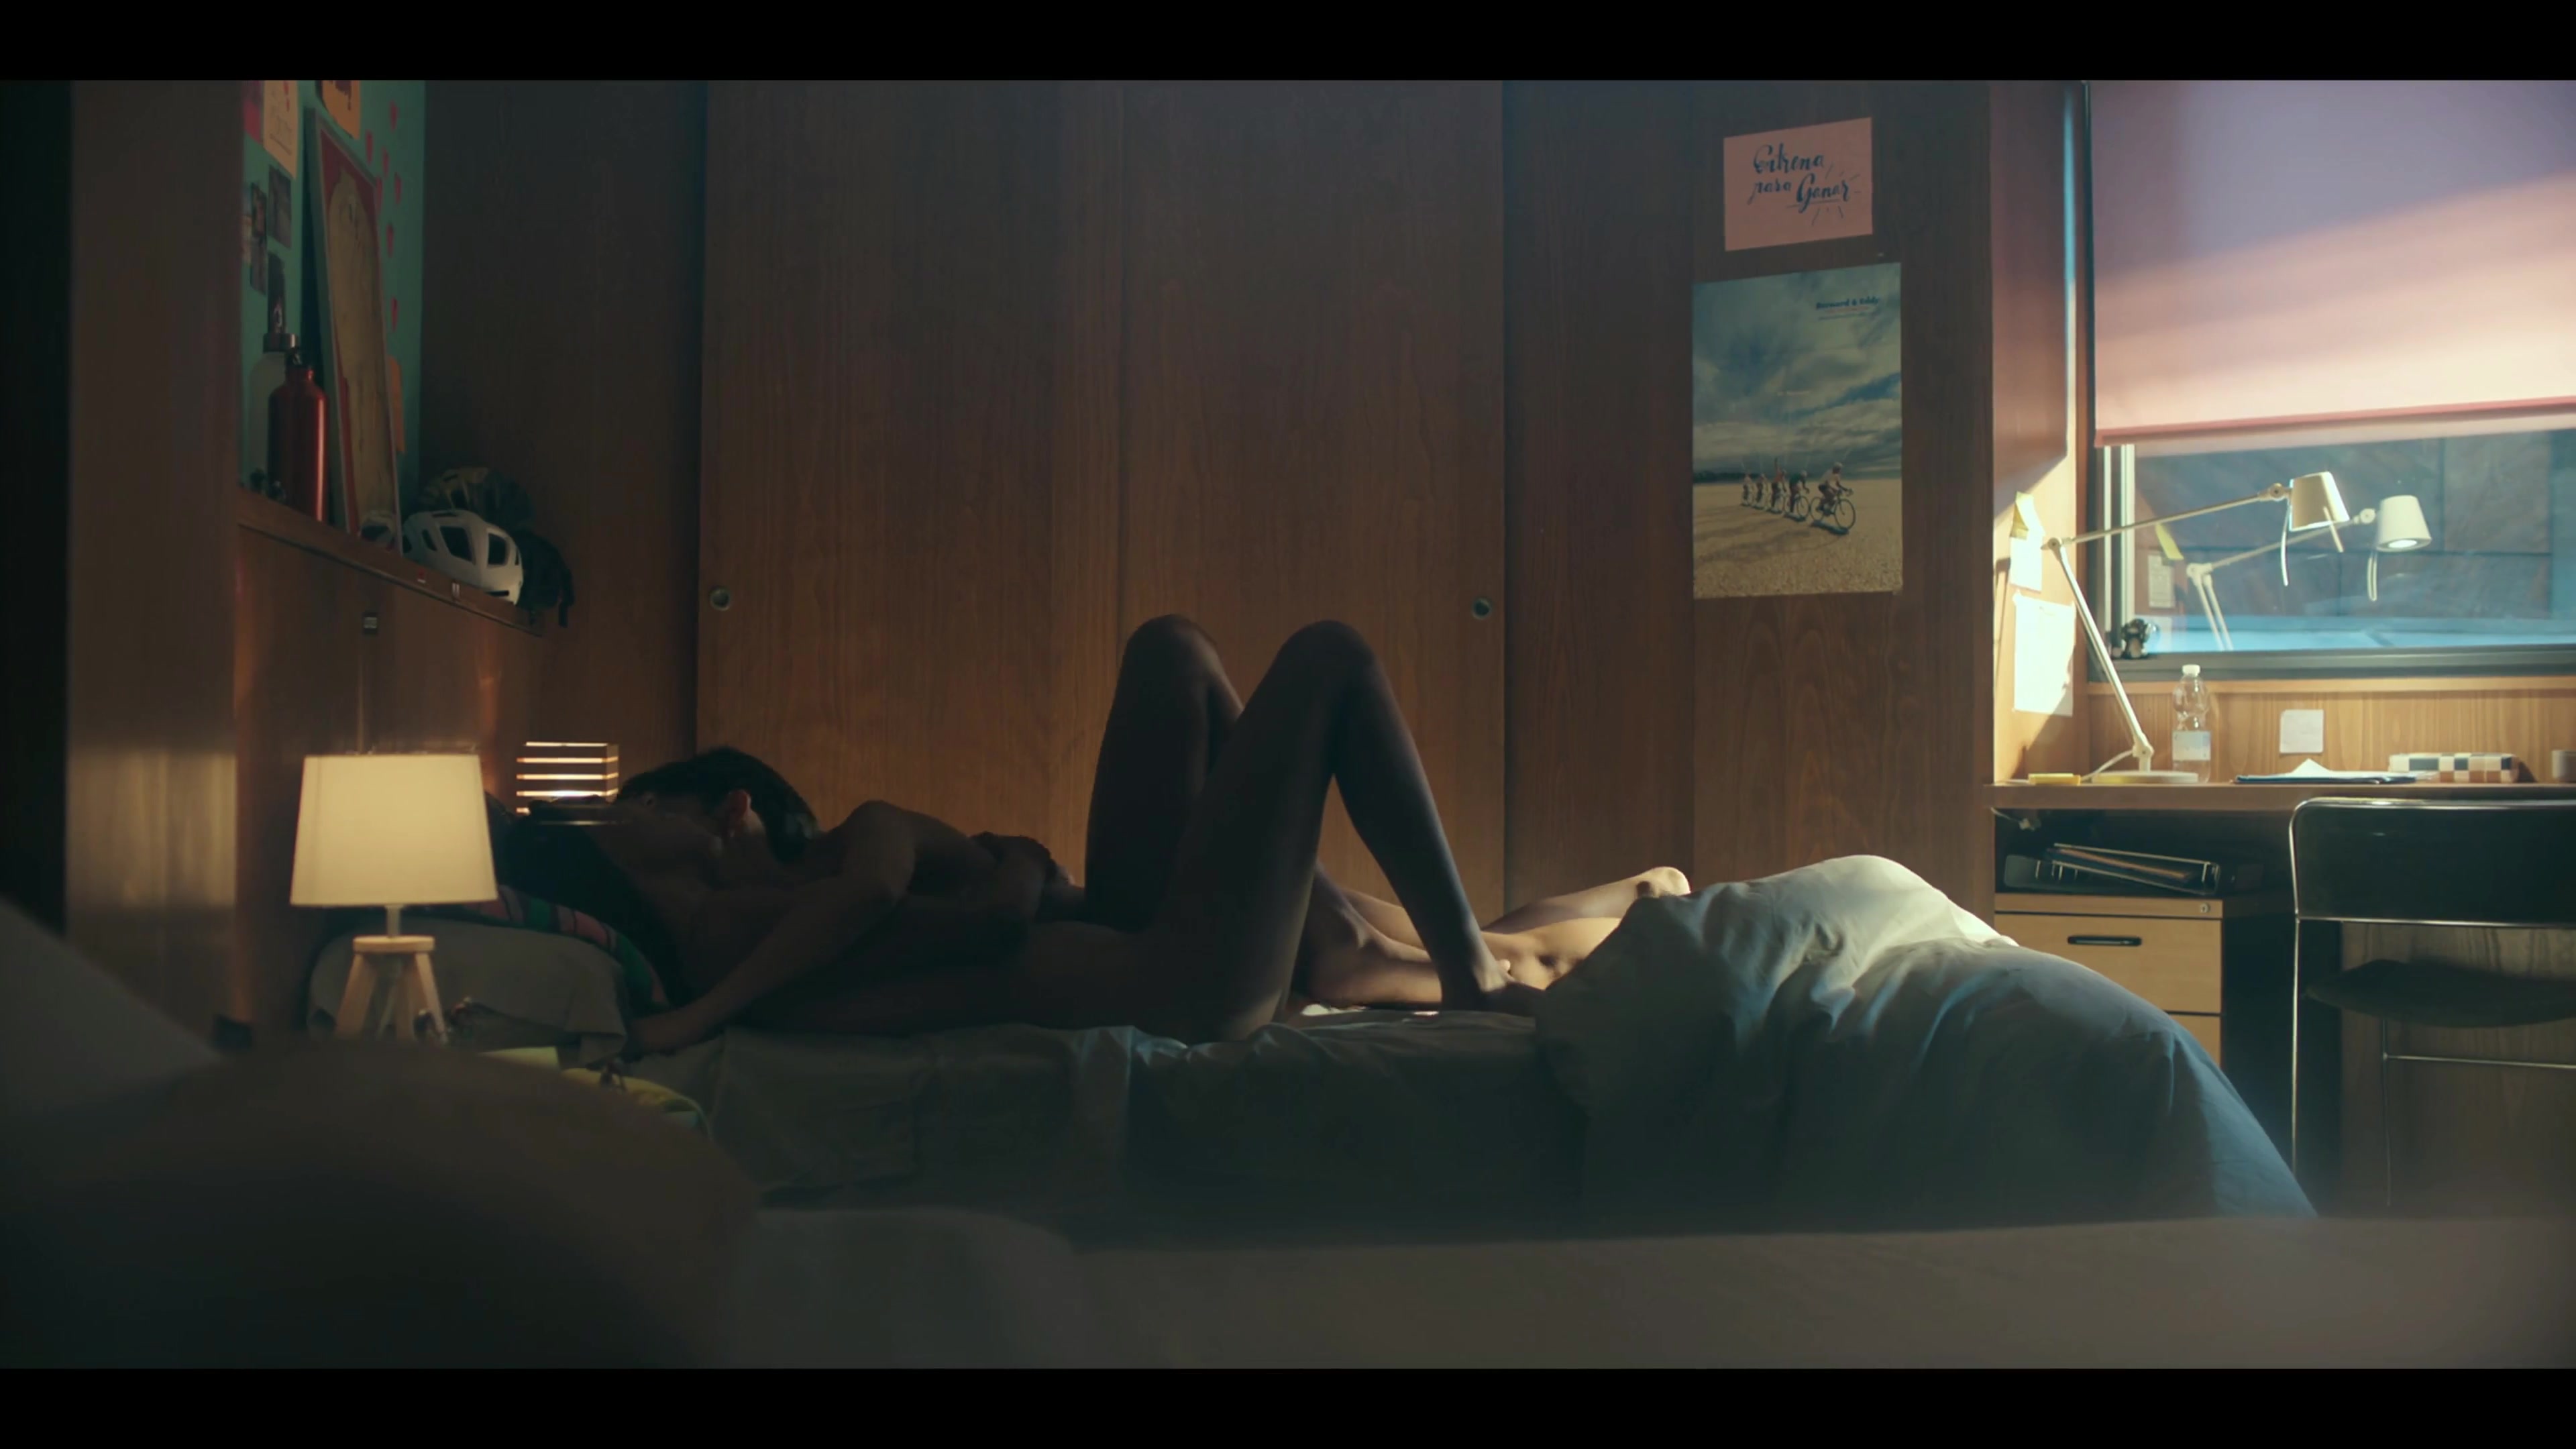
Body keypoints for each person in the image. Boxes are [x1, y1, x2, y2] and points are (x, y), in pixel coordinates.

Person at [504, 619, 1687, 1056]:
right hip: (1169, 983)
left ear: (726, 808)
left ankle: (1408, 942)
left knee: (1171, 651)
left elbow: (919, 904)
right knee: (1330, 659)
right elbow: (940, 914)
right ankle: (1474, 968)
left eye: (639, 803)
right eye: (622, 820)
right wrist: (1013, 877)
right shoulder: (726, 937)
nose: (627, 819)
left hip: (1122, 928)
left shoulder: (805, 880)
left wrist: (1016, 883)